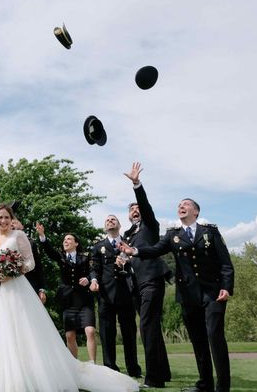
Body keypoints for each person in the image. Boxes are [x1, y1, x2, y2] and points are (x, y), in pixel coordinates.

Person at [0, 204, 138, 392]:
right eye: (0, 217)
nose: (3, 221)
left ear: (11, 219)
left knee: (22, 334)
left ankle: (28, 375)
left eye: (7, 217)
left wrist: (14, 271)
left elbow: (30, 262)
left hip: (16, 290)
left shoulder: (19, 236)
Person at [120, 198, 235, 392]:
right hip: (188, 295)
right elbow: (155, 250)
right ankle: (204, 384)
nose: (181, 207)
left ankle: (222, 387)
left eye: (186, 205)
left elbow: (225, 262)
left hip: (213, 293)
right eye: (179, 205)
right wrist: (134, 251)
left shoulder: (210, 232)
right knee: (198, 340)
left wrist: (227, 286)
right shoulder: (173, 234)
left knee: (215, 337)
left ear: (196, 212)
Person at [122, 162, 171, 388]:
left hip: (152, 280)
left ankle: (153, 378)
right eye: (131, 209)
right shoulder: (128, 234)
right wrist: (123, 261)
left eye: (137, 208)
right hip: (136, 284)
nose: (135, 210)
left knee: (147, 327)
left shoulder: (150, 226)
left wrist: (136, 185)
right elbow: (131, 259)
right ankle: (164, 372)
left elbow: (145, 206)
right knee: (150, 327)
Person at [89, 215, 141, 378]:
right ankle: (110, 368)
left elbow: (138, 262)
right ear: (105, 227)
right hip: (106, 295)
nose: (110, 221)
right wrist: (94, 280)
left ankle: (133, 369)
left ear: (119, 225)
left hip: (126, 293)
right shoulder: (98, 247)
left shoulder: (128, 243)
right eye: (107, 220)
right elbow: (94, 268)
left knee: (129, 333)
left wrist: (128, 262)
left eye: (113, 220)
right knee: (106, 333)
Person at [37, 224, 97, 363]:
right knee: (70, 335)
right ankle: (74, 365)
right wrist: (42, 235)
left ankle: (93, 364)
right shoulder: (61, 256)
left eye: (69, 239)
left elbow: (93, 270)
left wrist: (89, 279)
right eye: (64, 239)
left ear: (76, 243)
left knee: (90, 331)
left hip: (84, 301)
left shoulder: (85, 257)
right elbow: (49, 250)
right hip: (67, 302)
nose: (65, 241)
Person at [12, 218, 47, 304]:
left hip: (30, 284)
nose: (12, 224)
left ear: (22, 226)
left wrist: (41, 289)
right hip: (11, 286)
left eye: (15, 222)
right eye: (10, 223)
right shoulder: (3, 241)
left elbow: (39, 267)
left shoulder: (31, 243)